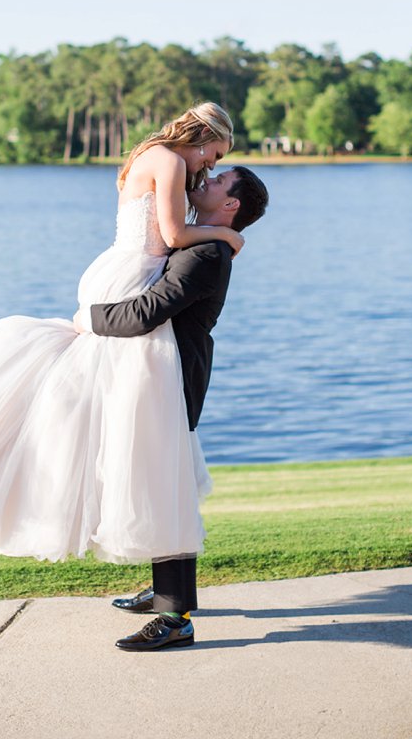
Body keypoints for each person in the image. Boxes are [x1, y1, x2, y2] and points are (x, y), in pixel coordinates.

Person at [0, 103, 241, 567]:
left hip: (117, 267)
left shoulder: (154, 154)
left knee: (98, 406)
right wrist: (225, 235)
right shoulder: (172, 160)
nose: (209, 166)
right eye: (214, 155)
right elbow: (175, 235)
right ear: (202, 136)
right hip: (133, 273)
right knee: (130, 403)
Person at [75, 165, 269, 651]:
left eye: (220, 179)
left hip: (171, 379)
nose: (208, 178)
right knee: (159, 485)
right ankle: (165, 591)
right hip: (154, 377)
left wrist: (88, 320)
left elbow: (148, 312)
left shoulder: (207, 253)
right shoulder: (204, 240)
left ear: (232, 205)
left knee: (167, 490)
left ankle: (175, 616)